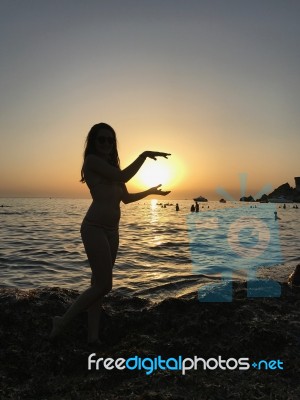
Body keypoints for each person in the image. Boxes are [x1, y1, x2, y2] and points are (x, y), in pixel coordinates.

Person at [50, 123, 171, 343]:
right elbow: (124, 176)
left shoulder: (111, 166)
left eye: (110, 139)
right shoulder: (92, 162)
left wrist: (151, 192)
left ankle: (93, 337)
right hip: (94, 227)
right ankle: (62, 321)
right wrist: (144, 155)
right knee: (105, 285)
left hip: (112, 231)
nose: (106, 143)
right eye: (101, 139)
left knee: (97, 284)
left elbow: (125, 198)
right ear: (93, 142)